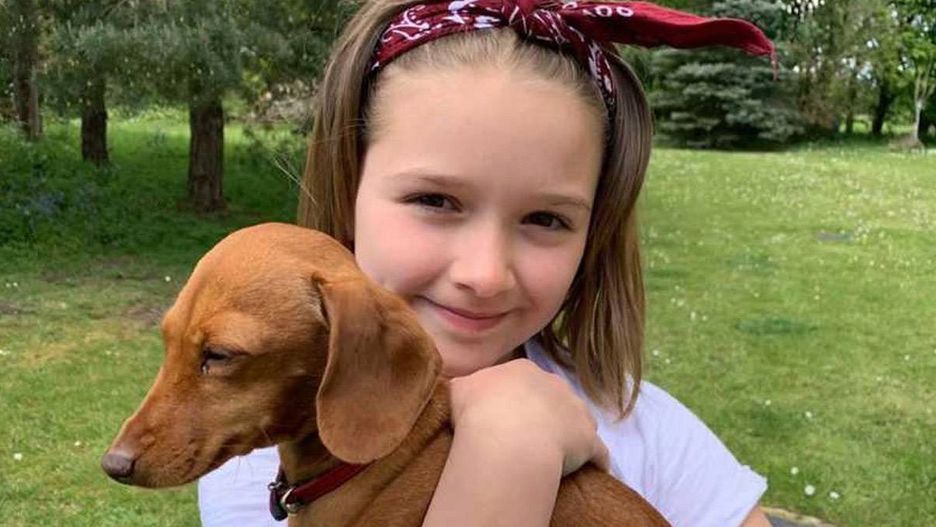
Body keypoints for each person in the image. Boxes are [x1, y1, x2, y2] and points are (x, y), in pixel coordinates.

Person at [198, 0, 775, 525]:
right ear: (349, 186)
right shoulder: (259, 447)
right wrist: (511, 454)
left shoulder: (650, 433)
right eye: (435, 201)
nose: (485, 274)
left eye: (545, 218)